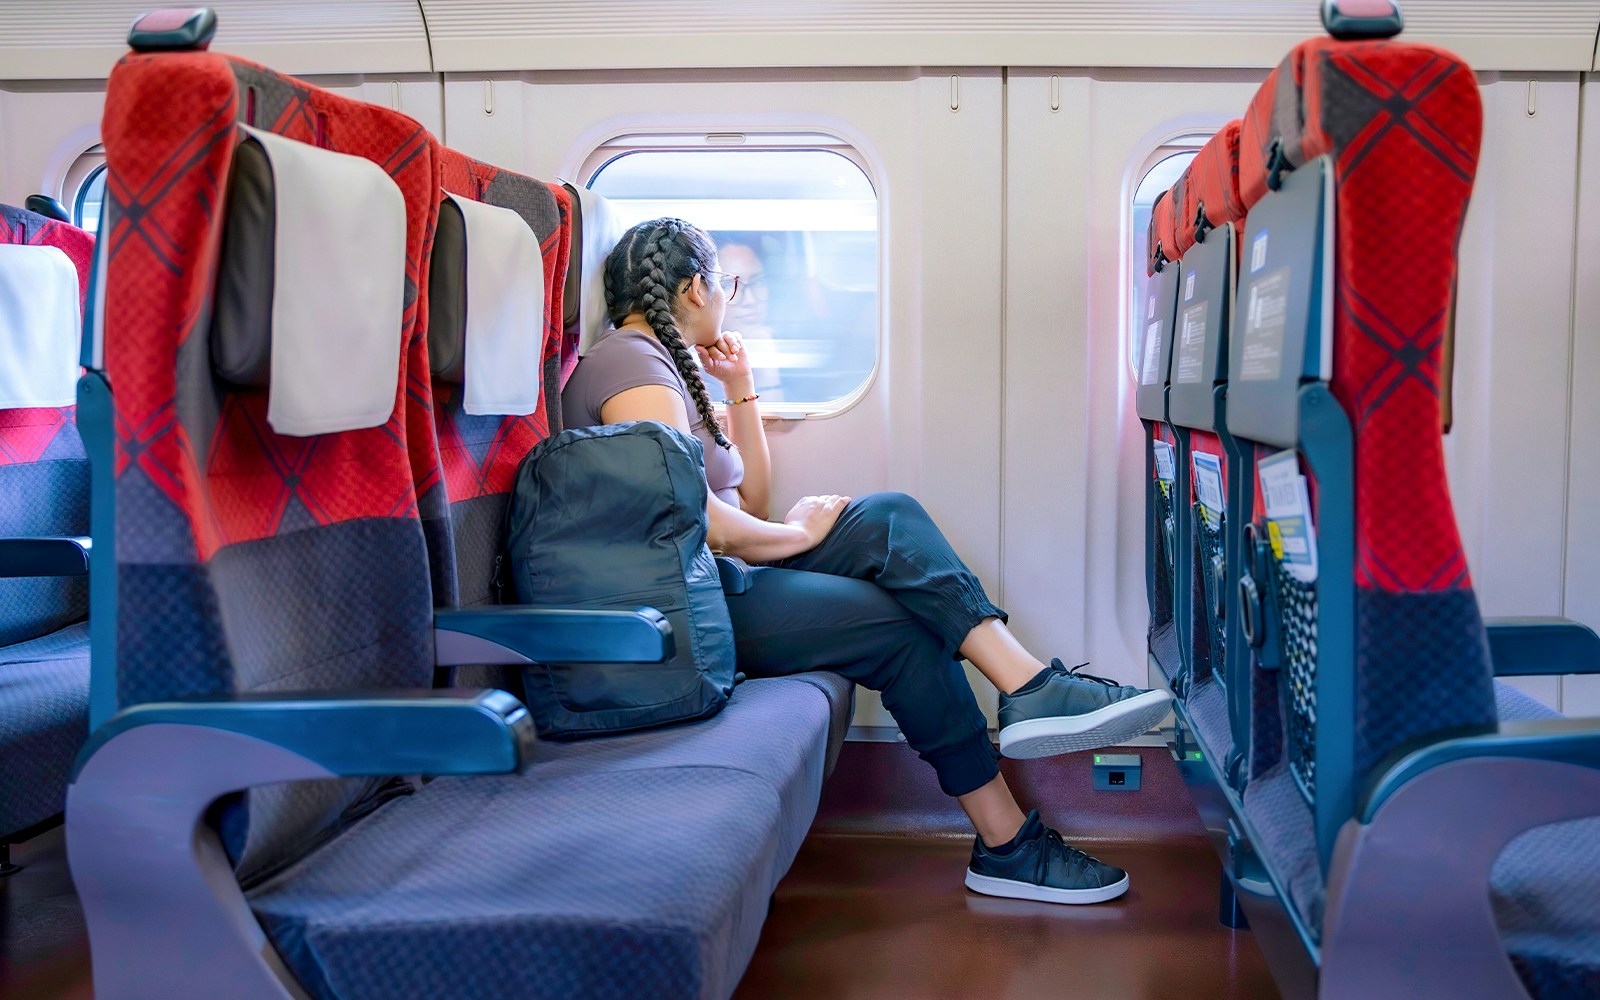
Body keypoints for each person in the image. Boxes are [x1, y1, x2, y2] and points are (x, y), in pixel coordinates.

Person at [561, 218, 1172, 905]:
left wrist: (741, 388)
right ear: (697, 288)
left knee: (889, 515)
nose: (730, 297)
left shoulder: (669, 369)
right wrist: (795, 538)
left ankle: (1026, 699)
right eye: (726, 285)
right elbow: (705, 525)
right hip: (684, 608)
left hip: (714, 582)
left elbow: (748, 500)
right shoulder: (631, 365)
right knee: (902, 625)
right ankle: (1011, 819)